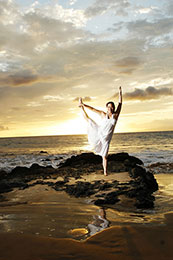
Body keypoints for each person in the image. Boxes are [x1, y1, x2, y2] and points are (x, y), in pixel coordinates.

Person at [79, 86, 122, 176]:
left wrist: (120, 92)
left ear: (113, 108)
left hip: (106, 139)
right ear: (106, 108)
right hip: (99, 132)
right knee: (89, 120)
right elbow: (93, 109)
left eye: (111, 107)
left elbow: (120, 104)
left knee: (105, 156)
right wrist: (84, 105)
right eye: (108, 107)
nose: (110, 108)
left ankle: (105, 171)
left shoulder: (115, 116)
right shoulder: (103, 114)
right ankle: (81, 107)